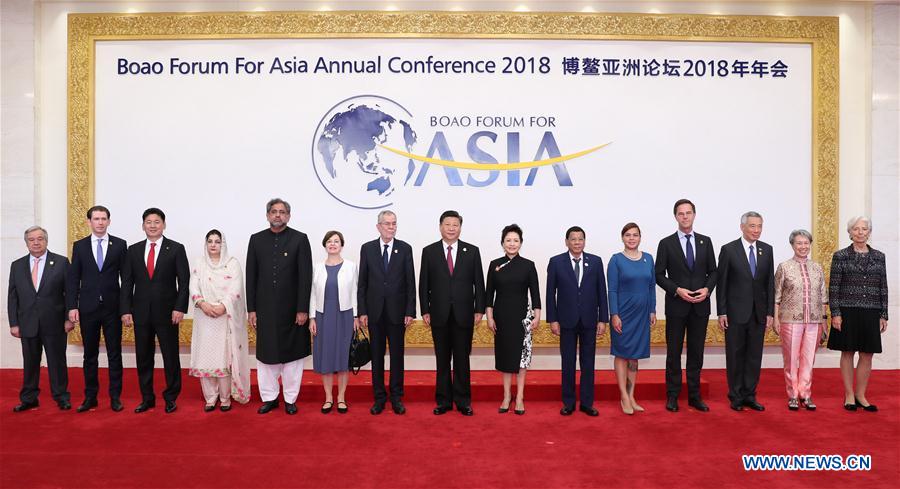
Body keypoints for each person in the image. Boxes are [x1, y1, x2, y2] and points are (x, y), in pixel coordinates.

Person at [246, 198, 313, 415]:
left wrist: (303, 308)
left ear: (288, 216)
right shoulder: (256, 240)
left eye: (282, 212)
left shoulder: (300, 239)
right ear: (267, 215)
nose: (278, 215)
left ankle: (290, 399)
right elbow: (251, 277)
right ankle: (270, 398)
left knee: (293, 358)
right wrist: (252, 309)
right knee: (266, 357)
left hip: (293, 311)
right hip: (265, 310)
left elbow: (305, 277)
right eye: (273, 212)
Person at [121, 208, 190, 414]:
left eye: (157, 222)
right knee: (143, 356)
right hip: (140, 312)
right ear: (143, 225)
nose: (152, 225)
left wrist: (179, 307)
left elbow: (184, 282)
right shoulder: (133, 250)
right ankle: (147, 398)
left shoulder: (176, 248)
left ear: (164, 224)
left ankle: (170, 397)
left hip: (168, 313)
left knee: (170, 356)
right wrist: (125, 310)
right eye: (148, 222)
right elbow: (126, 283)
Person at [420, 210, 485, 416]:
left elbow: (479, 284)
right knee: (442, 359)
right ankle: (443, 401)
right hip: (438, 314)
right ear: (440, 227)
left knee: (462, 359)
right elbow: (424, 284)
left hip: (464, 314)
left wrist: (479, 309)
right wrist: (425, 310)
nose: (451, 228)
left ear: (460, 227)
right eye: (447, 224)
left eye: (455, 225)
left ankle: (463, 401)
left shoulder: (472, 251)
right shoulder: (429, 251)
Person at [655, 198, 717, 412]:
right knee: (673, 353)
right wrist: (677, 290)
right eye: (681, 213)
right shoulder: (666, 243)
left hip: (700, 306)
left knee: (696, 353)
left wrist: (707, 289)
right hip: (676, 306)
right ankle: (672, 396)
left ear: (694, 215)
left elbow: (714, 271)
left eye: (688, 213)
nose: (685, 217)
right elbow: (658, 275)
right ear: (675, 217)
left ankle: (694, 396)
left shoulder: (705, 241)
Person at [66, 205, 127, 413]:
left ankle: (115, 397)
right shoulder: (80, 246)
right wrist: (72, 306)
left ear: (109, 221)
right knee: (89, 355)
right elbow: (73, 279)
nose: (100, 222)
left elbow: (126, 280)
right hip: (88, 308)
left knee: (114, 354)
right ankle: (90, 397)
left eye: (103, 219)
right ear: (89, 222)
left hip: (112, 308)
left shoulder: (119, 245)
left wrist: (125, 308)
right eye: (96, 219)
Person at [7, 226, 73, 412]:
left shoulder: (60, 262)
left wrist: (69, 319)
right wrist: (14, 323)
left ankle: (61, 397)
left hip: (55, 323)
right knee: (30, 363)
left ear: (46, 240)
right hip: (27, 322)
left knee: (57, 362)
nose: (36, 242)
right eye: (32, 239)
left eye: (40, 239)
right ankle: (29, 398)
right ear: (26, 242)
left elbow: (69, 293)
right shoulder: (17, 265)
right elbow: (12, 296)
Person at [827, 216, 889, 412]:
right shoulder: (840, 256)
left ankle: (861, 394)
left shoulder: (879, 256)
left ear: (869, 232)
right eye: (856, 229)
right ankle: (849, 395)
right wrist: (835, 313)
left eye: (864, 229)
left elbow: (883, 286)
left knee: (867, 354)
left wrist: (884, 314)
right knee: (847, 352)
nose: (860, 232)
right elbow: (834, 287)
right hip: (847, 311)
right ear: (850, 232)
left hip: (871, 311)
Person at [546, 226, 609, 416]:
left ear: (584, 241)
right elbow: (551, 293)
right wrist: (553, 319)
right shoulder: (556, 262)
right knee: (568, 362)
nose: (577, 242)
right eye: (573, 239)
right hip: (566, 320)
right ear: (567, 242)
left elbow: (601, 292)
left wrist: (603, 319)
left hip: (590, 320)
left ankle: (587, 403)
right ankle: (568, 402)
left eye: (580, 239)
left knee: (588, 363)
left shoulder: (596, 262)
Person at [358, 210, 416, 415]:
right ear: (378, 226)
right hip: (374, 313)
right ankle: (379, 398)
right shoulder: (367, 249)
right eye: (387, 224)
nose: (391, 227)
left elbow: (411, 283)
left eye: (394, 224)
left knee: (397, 356)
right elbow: (362, 283)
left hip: (398, 313)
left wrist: (410, 310)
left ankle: (396, 397)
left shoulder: (405, 248)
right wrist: (362, 311)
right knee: (377, 356)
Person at [717, 211, 775, 412]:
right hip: (734, 313)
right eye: (752, 226)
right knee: (735, 354)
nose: (756, 230)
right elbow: (722, 283)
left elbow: (769, 284)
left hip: (758, 314)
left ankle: (750, 395)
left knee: (753, 356)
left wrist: (769, 313)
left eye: (759, 226)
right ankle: (736, 396)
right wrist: (722, 312)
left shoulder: (767, 250)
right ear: (742, 227)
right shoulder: (729, 250)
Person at [189, 230, 251, 412]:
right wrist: (202, 303)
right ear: (206, 244)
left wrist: (223, 305)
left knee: (224, 358)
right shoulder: (199, 264)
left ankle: (225, 398)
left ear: (223, 244)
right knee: (206, 357)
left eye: (217, 241)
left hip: (225, 317)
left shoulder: (232, 264)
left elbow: (236, 288)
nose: (214, 245)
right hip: (205, 316)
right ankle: (210, 397)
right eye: (210, 241)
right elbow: (193, 286)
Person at [485, 224, 541, 415]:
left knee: (521, 360)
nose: (512, 244)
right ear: (502, 243)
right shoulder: (495, 264)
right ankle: (507, 396)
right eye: (508, 240)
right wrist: (490, 318)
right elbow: (488, 295)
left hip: (522, 319)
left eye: (515, 240)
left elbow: (535, 294)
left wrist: (537, 316)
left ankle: (519, 398)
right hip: (501, 317)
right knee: (506, 358)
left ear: (521, 243)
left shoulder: (528, 265)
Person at [774, 229, 827, 411]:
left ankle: (805, 394)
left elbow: (823, 297)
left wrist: (824, 321)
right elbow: (777, 297)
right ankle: (793, 395)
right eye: (799, 243)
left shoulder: (817, 267)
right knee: (791, 359)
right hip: (790, 320)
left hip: (814, 320)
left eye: (806, 243)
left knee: (808, 358)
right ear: (792, 245)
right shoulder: (784, 267)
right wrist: (776, 319)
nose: (803, 247)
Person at [608, 223, 657, 415]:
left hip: (642, 315)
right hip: (623, 314)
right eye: (628, 235)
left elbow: (651, 286)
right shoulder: (616, 260)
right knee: (621, 354)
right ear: (622, 238)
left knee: (634, 356)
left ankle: (631, 395)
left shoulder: (648, 259)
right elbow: (611, 289)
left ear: (640, 237)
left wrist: (652, 310)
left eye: (635, 235)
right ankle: (623, 396)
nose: (631, 238)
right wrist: (614, 314)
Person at [310, 231, 359, 414]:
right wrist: (312, 318)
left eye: (336, 241)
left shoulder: (351, 266)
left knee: (343, 357)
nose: (333, 244)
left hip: (345, 315)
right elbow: (313, 294)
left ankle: (341, 398)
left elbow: (354, 292)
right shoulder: (317, 267)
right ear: (324, 245)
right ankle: (328, 398)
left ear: (342, 245)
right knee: (327, 357)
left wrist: (356, 316)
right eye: (329, 241)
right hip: (323, 316)